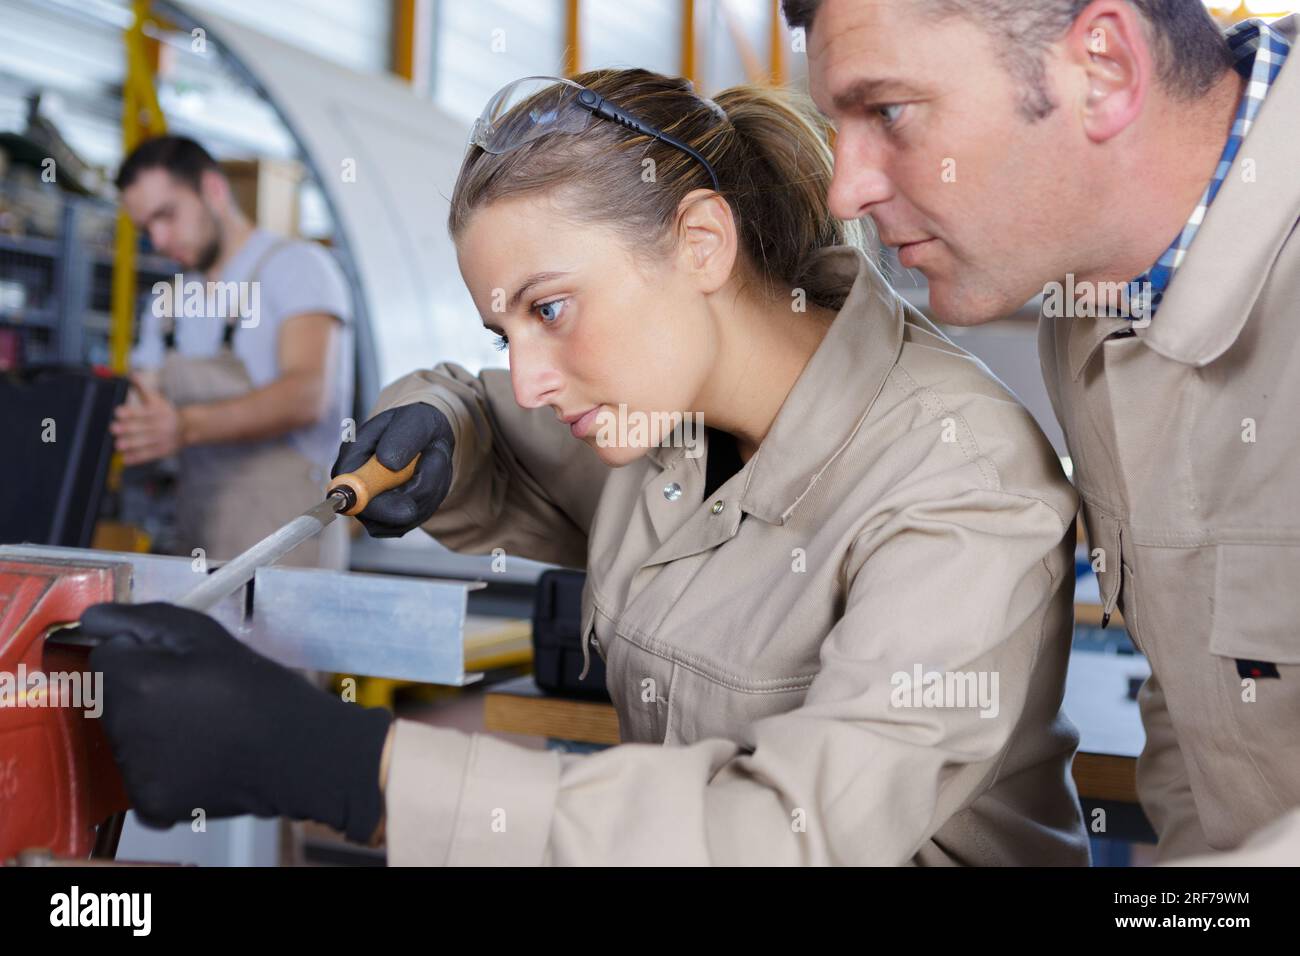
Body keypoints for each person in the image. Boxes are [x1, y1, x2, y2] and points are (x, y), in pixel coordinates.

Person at [80, 70, 1089, 865]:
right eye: (502, 327)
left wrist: (353, 766)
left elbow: (782, 835)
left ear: (699, 243)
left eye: (549, 308)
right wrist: (432, 420)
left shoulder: (960, 483)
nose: (525, 378)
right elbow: (472, 400)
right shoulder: (661, 418)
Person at [781, 0, 1299, 859]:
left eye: (889, 112)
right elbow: (1204, 716)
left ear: (1102, 70)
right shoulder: (1092, 304)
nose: (847, 189)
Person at [111, 135, 354, 570]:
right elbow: (140, 401)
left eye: (167, 215)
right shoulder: (168, 303)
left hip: (287, 540)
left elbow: (306, 396)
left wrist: (182, 427)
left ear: (213, 190)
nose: (160, 239)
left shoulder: (296, 268)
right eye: (146, 227)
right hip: (198, 537)